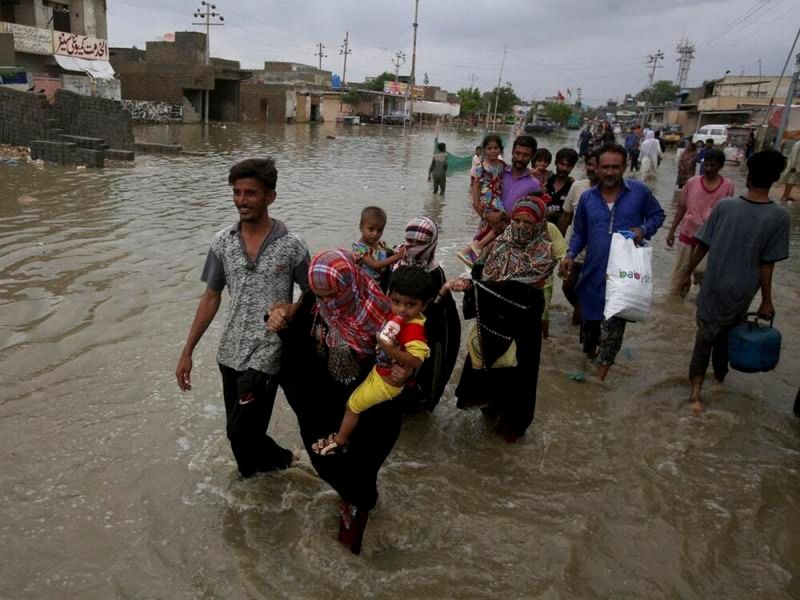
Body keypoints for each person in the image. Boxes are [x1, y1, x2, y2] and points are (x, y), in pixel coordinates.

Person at [175, 157, 310, 478]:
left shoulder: (292, 245)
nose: (241, 201)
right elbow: (211, 297)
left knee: (240, 433)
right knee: (239, 436)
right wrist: (187, 351)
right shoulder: (222, 242)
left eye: (250, 193)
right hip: (229, 353)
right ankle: (256, 485)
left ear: (270, 197)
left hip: (268, 353)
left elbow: (313, 291)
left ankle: (284, 460)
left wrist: (291, 310)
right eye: (237, 192)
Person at [270, 249, 399, 554]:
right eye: (319, 295)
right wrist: (282, 313)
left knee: (361, 474)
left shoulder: (382, 317)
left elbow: (402, 362)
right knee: (327, 457)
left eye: (332, 295)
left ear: (350, 283)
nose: (326, 303)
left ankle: (353, 535)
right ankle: (351, 499)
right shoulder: (317, 302)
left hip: (368, 412)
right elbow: (299, 316)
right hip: (326, 404)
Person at [678, 150, 790, 415]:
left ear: (749, 176)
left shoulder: (725, 206)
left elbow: (702, 245)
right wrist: (766, 300)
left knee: (704, 338)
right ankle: (718, 380)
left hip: (714, 285)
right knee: (726, 338)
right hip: (743, 291)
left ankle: (695, 393)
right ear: (776, 179)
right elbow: (767, 263)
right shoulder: (779, 217)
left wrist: (686, 273)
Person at [445, 197, 556, 442]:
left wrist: (476, 287)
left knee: (519, 373)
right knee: (489, 364)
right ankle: (488, 409)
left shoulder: (544, 252)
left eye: (528, 222)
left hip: (522, 323)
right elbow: (480, 270)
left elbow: (517, 288)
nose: (520, 226)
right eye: (516, 220)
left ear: (539, 224)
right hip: (494, 320)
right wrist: (472, 284)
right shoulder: (499, 244)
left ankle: (513, 425)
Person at [559, 144, 666, 381]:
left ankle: (599, 381)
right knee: (589, 331)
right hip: (592, 272)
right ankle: (589, 361)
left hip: (623, 277)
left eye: (615, 167)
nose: (609, 172)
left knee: (612, 332)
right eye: (604, 167)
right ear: (596, 168)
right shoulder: (587, 198)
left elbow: (658, 215)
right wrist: (569, 254)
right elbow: (580, 233)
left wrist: (643, 229)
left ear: (624, 167)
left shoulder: (639, 192)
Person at [311, 266, 432, 455]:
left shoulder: (412, 329)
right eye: (396, 302)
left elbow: (416, 360)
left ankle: (340, 440)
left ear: (424, 305)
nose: (401, 309)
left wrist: (392, 351)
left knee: (353, 405)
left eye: (410, 305)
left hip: (385, 381)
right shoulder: (384, 307)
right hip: (378, 371)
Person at [392, 216, 461, 412]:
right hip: (396, 330)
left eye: (420, 243)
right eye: (410, 241)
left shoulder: (435, 273)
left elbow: (439, 312)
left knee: (420, 374)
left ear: (432, 243)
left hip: (424, 335)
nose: (413, 246)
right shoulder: (396, 262)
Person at [666, 148, 734, 295]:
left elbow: (727, 214)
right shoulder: (692, 182)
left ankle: (699, 301)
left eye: (713, 166)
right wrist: (671, 231)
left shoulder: (727, 186)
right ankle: (676, 300)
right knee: (680, 272)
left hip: (710, 237)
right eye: (706, 165)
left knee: (702, 272)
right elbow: (681, 207)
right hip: (688, 232)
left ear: (720, 167)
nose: (708, 169)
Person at [558, 149, 600, 324]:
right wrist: (558, 248)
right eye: (589, 164)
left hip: (598, 257)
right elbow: (566, 217)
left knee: (584, 296)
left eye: (597, 165)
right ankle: (583, 317)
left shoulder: (613, 192)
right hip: (575, 252)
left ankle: (579, 328)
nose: (592, 168)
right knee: (567, 287)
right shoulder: (577, 187)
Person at [458, 134, 506, 266]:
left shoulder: (502, 165)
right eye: (489, 148)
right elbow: (476, 184)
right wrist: (475, 202)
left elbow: (512, 174)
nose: (493, 151)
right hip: (487, 199)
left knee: (490, 227)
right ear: (485, 150)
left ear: (500, 149)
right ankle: (475, 249)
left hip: (498, 198)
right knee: (498, 224)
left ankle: (470, 252)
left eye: (496, 148)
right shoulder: (482, 166)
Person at [351, 206, 404, 287]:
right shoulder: (359, 248)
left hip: (380, 283)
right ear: (361, 227)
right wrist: (398, 256)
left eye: (379, 230)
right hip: (365, 285)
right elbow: (375, 265)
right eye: (371, 229)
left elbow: (391, 253)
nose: (375, 234)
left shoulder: (381, 244)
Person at [545, 147, 578, 224]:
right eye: (562, 164)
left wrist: (553, 214)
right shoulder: (545, 181)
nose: (564, 168)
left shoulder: (573, 187)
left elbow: (572, 218)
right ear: (556, 163)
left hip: (558, 233)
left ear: (572, 167)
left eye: (568, 166)